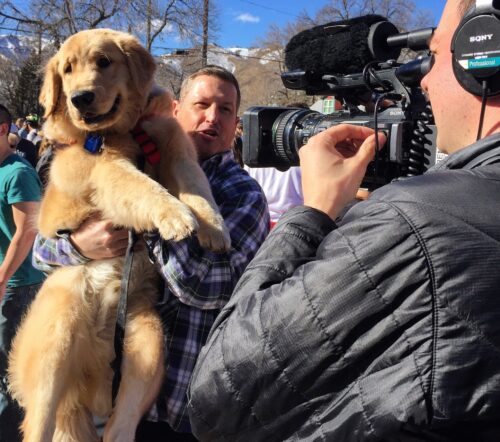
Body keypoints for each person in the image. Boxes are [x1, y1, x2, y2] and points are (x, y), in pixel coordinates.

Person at [187, 1, 500, 440]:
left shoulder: (414, 226)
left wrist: (313, 213)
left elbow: (218, 393)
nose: (425, 77)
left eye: (435, 52)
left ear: (482, 54)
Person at [32, 65, 270, 441]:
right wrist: (79, 244)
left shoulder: (241, 193)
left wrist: (143, 213)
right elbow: (41, 251)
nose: (212, 117)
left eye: (225, 110)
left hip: (176, 406)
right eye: (202, 104)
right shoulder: (123, 155)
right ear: (175, 110)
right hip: (99, 381)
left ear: (236, 122)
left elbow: (206, 286)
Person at [0, 104, 45, 442]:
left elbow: (27, 231)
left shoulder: (17, 172)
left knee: (12, 375)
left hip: (19, 285)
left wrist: (2, 279)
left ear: (3, 130)